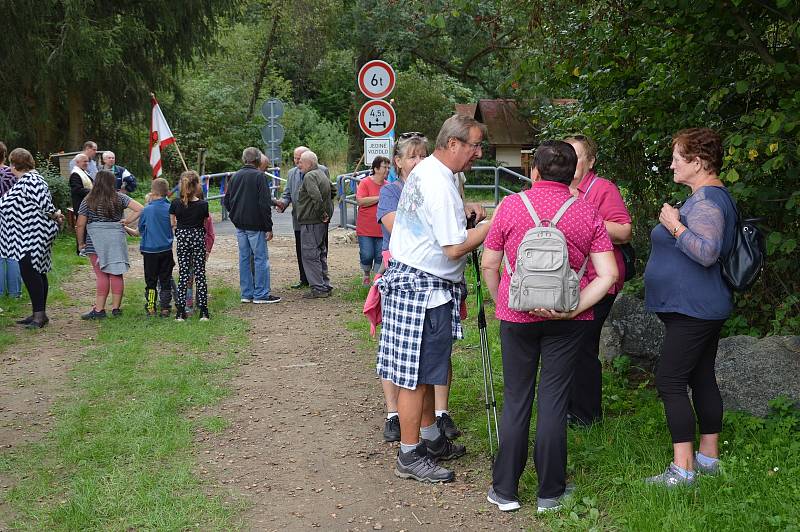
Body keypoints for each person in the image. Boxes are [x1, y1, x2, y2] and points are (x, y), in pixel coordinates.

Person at [481, 140, 618, 513]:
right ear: (573, 172)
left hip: (517, 318)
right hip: (567, 322)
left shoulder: (510, 206)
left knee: (516, 399)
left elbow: (489, 265)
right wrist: (574, 309)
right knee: (554, 402)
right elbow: (609, 274)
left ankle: (505, 491)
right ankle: (550, 494)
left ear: (533, 171)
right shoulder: (586, 211)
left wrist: (503, 302)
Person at [377, 114, 490, 483]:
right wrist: (491, 227)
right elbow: (454, 247)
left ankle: (428, 439)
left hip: (414, 282)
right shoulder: (440, 183)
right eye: (474, 145)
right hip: (424, 290)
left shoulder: (428, 170)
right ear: (454, 144)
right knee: (415, 376)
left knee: (425, 372)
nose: (478, 152)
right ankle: (409, 455)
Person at [643, 128, 736, 487]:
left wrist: (674, 225)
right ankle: (708, 458)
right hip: (700, 306)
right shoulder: (707, 197)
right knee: (700, 377)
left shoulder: (708, 200)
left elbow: (706, 252)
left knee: (670, 380)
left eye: (677, 159)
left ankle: (683, 470)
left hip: (695, 310)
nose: (671, 166)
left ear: (697, 163)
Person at [564, 135, 633, 426]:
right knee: (570, 345)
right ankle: (570, 407)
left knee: (583, 346)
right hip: (567, 281)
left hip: (599, 280)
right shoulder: (558, 187)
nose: (569, 160)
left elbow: (624, 231)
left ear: (590, 162)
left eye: (576, 155)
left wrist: (583, 219)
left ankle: (587, 415)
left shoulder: (602, 189)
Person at [0, 148, 63, 328]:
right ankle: (39, 313)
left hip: (34, 233)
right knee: (37, 270)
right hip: (29, 233)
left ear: (13, 164)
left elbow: (45, 205)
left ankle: (39, 316)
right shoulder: (29, 179)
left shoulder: (31, 180)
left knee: (30, 270)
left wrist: (54, 215)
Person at [76, 170, 143, 319]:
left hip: (95, 241)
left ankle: (99, 310)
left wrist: (81, 243)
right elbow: (140, 208)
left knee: (101, 275)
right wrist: (127, 221)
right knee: (116, 273)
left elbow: (80, 224)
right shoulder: (119, 197)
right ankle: (116, 309)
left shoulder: (88, 200)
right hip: (115, 240)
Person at [224, 147, 280, 304]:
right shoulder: (259, 177)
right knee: (260, 258)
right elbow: (263, 203)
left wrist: (234, 214)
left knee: (244, 258)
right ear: (258, 160)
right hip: (255, 225)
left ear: (244, 159)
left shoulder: (234, 177)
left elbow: (226, 201)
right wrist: (268, 226)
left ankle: (246, 293)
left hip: (240, 224)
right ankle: (261, 293)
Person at [170, 170, 211, 321]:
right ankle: (204, 311)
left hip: (183, 240)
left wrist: (180, 230)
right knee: (200, 274)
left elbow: (172, 223)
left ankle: (181, 312)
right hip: (197, 239)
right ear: (197, 187)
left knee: (183, 274)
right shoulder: (203, 205)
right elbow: (205, 224)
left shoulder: (175, 203)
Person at [296, 150, 334, 299]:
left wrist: (321, 213)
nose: (299, 165)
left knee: (310, 254)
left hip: (311, 221)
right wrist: (326, 212)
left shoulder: (310, 176)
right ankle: (325, 285)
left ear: (309, 163)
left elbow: (315, 196)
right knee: (320, 252)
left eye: (301, 162)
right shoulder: (321, 173)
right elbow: (333, 190)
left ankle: (318, 288)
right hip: (319, 222)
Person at [139, 178, 175, 318]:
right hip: (166, 249)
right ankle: (165, 307)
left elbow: (141, 228)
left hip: (150, 250)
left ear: (153, 192)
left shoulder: (147, 209)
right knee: (165, 279)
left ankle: (151, 307)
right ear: (167, 192)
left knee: (151, 280)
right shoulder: (170, 208)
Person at [356, 156, 388, 285]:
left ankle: (376, 279)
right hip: (366, 227)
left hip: (382, 227)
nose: (387, 170)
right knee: (367, 253)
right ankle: (366, 273)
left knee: (380, 255)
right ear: (376, 168)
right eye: (384, 167)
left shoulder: (388, 186)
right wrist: (380, 197)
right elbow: (361, 201)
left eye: (388, 168)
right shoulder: (365, 182)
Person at [0, 142, 22, 299]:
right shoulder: (12, 172)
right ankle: (15, 292)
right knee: (13, 253)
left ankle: (0, 292)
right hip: (13, 215)